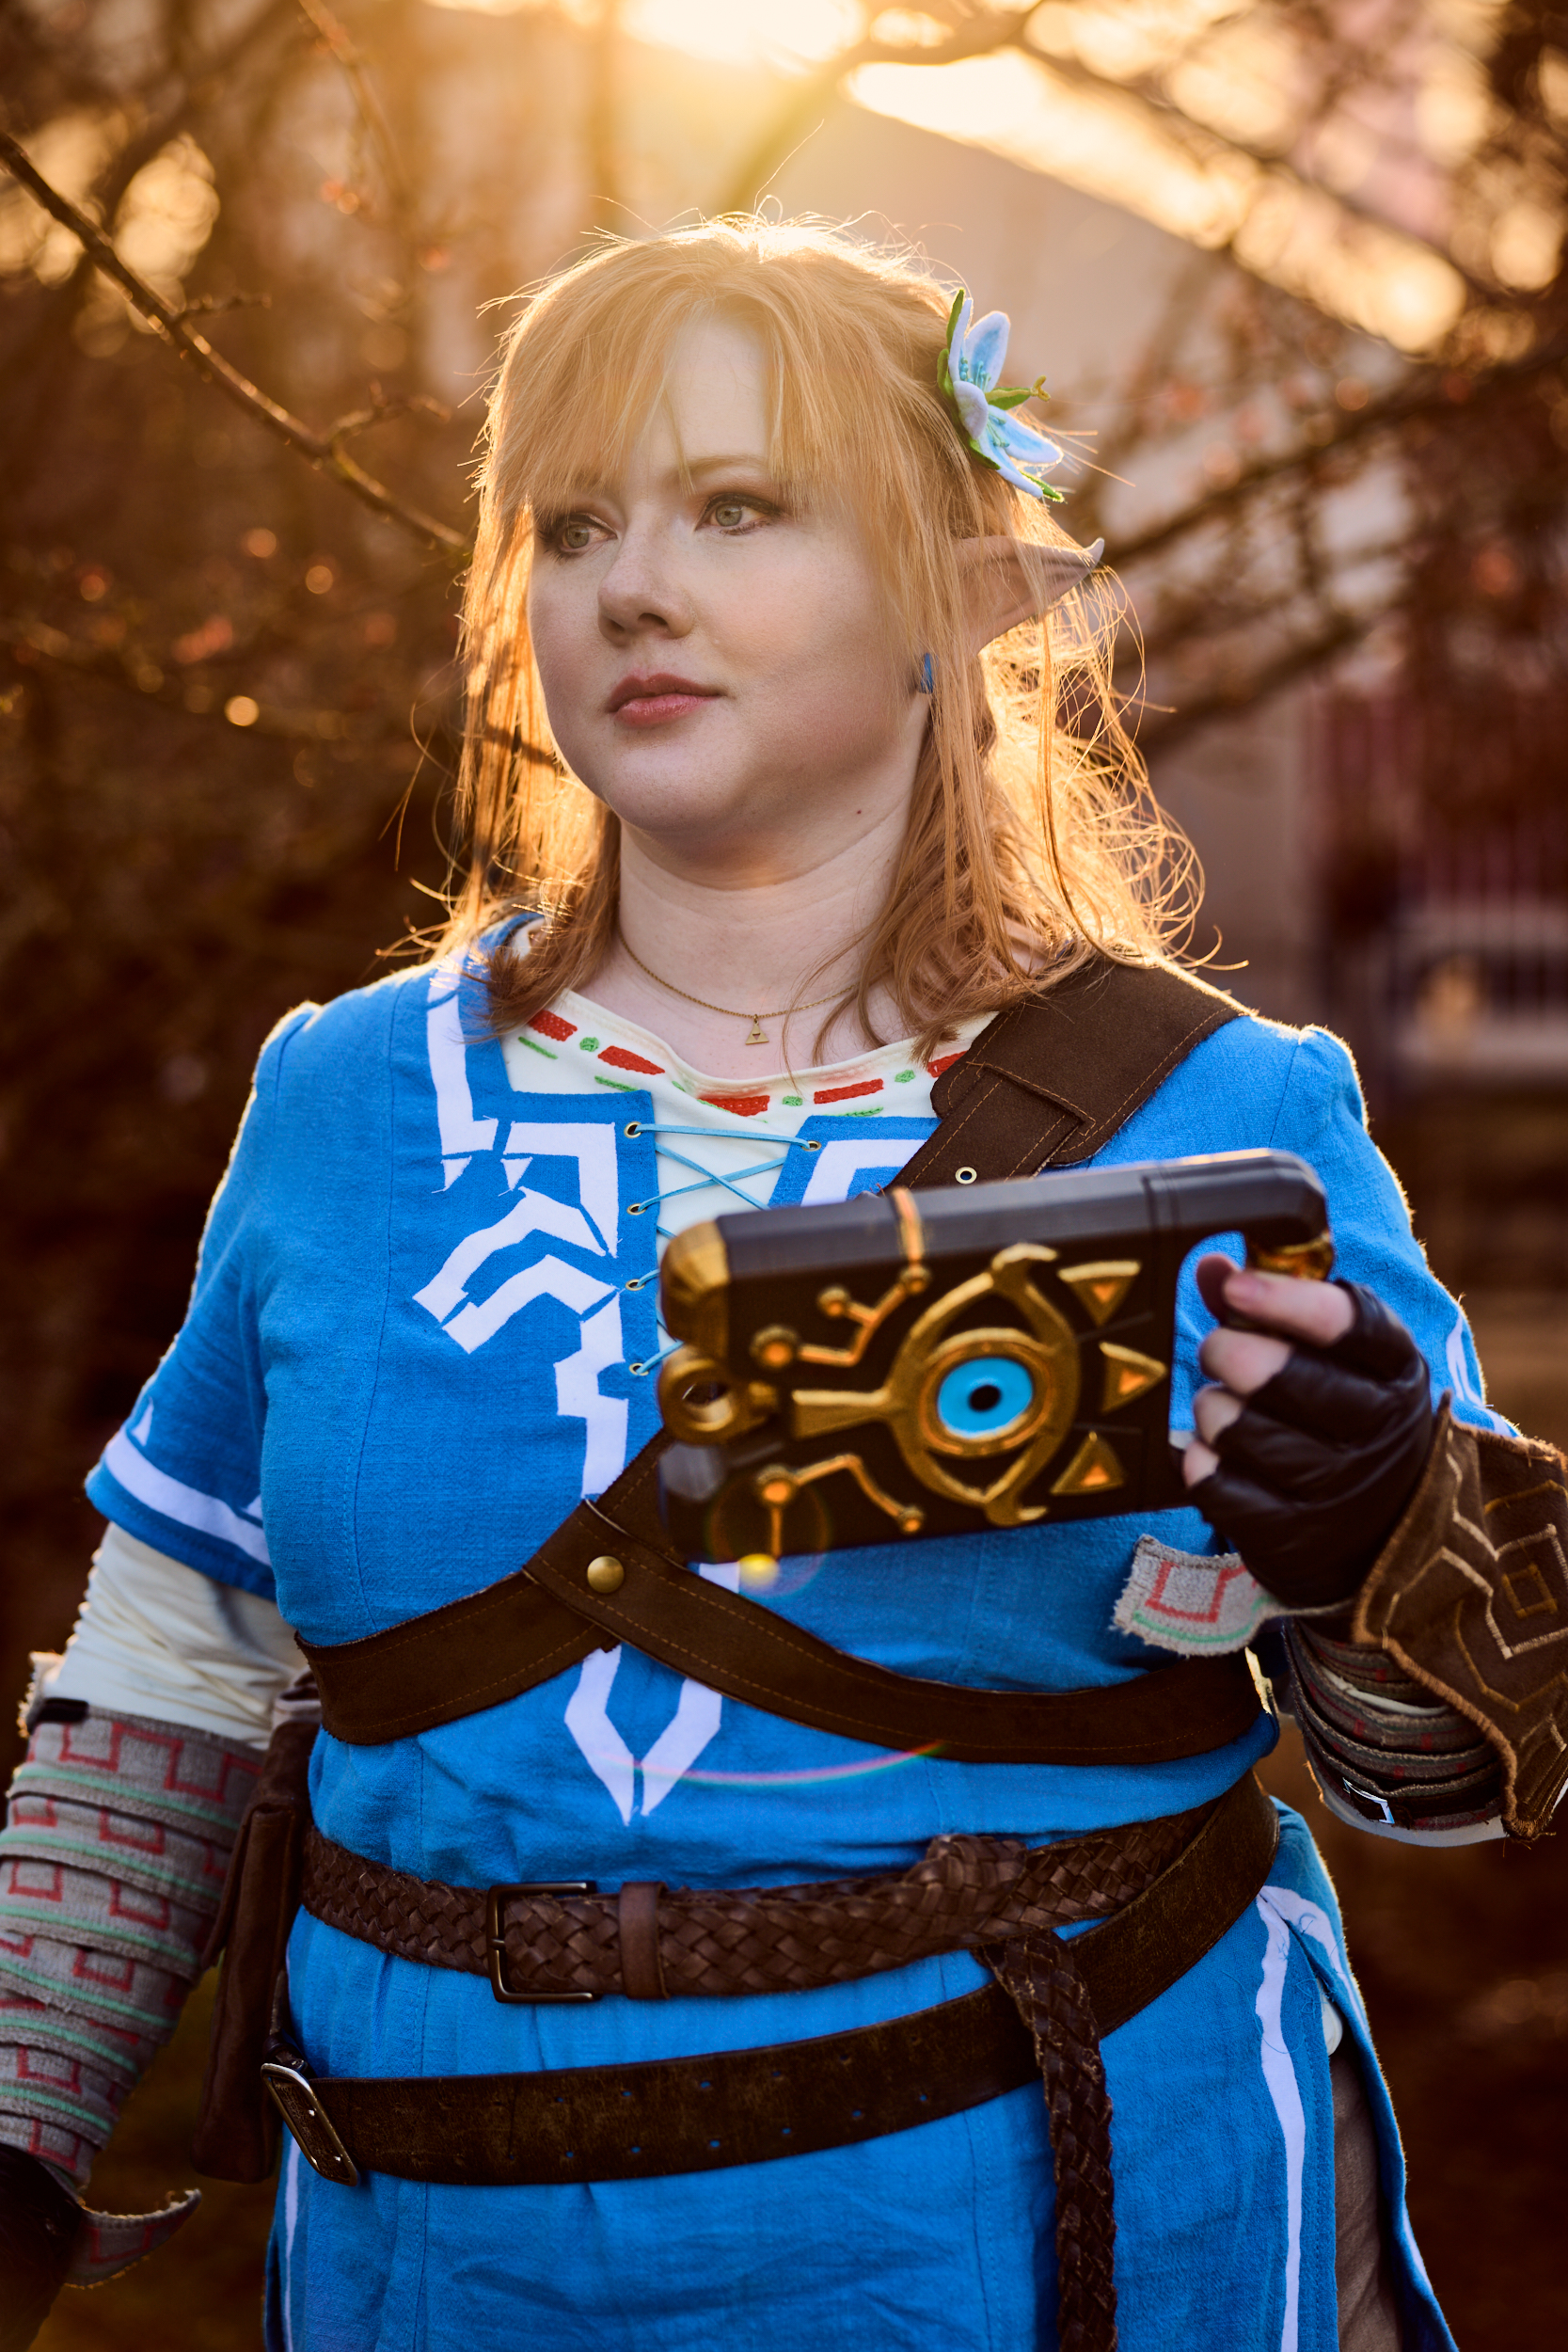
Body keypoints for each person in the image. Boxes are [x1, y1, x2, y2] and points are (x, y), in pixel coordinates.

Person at [2, 217, 1560, 2352]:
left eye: (739, 507)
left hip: (1069, 2241)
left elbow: (1461, 1766)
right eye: (576, 526)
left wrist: (1373, 1532)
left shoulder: (1221, 1112)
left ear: (949, 601)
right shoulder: (345, 1098)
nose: (632, 586)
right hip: (438, 2271)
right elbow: (176, 1663)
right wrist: (19, 2127)